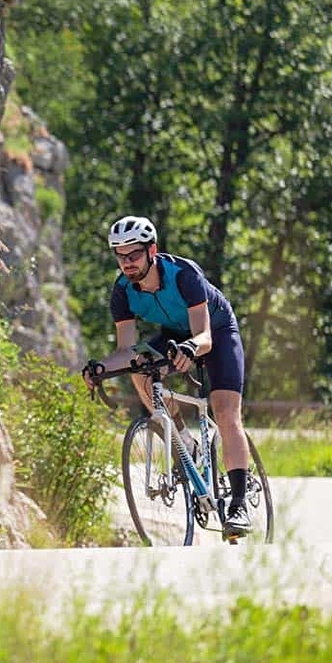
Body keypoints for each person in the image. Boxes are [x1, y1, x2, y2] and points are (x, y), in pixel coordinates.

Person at [81, 215, 254, 539]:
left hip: (214, 332)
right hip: (174, 335)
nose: (127, 263)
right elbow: (126, 350)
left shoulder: (184, 275)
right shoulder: (122, 292)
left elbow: (204, 336)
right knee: (140, 371)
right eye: (120, 256)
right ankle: (183, 442)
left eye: (133, 254)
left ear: (152, 251)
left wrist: (191, 347)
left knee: (226, 413)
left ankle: (239, 504)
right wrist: (101, 367)